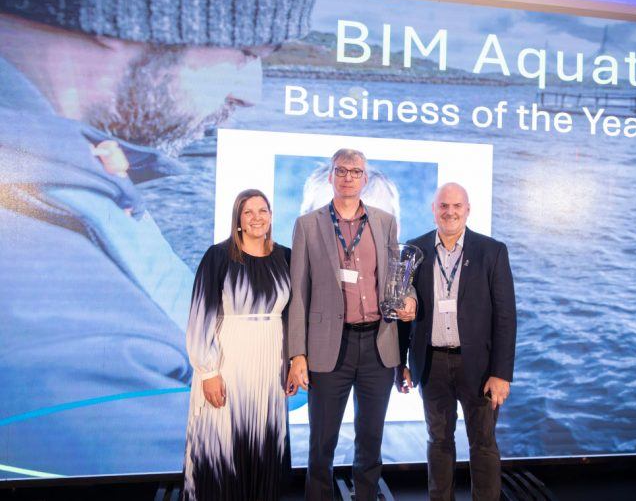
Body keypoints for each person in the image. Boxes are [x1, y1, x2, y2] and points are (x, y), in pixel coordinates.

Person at [0, 0, 316, 477]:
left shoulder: (86, 171)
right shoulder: (53, 318)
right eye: (242, 52)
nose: (251, 92)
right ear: (113, 7)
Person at [286, 148, 416, 500]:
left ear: (364, 178)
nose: (347, 177)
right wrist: (297, 354)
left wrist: (411, 301)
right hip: (329, 349)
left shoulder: (384, 223)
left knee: (371, 442)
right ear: (331, 176)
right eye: (341, 170)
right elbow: (298, 293)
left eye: (355, 171)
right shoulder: (308, 225)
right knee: (321, 445)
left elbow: (397, 282)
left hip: (377, 345)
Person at [397, 182, 517, 501]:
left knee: (483, 444)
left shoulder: (492, 251)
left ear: (467, 210)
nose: (450, 212)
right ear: (434, 210)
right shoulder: (415, 249)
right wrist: (402, 363)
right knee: (438, 442)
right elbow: (402, 307)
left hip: (478, 367)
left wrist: (501, 373)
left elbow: (506, 317)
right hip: (431, 363)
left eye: (457, 206)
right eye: (444, 206)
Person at [183, 189, 290, 501]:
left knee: (263, 441)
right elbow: (200, 316)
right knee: (223, 443)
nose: (257, 217)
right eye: (248, 212)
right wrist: (208, 372)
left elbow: (291, 316)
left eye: (262, 210)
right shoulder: (218, 256)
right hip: (228, 362)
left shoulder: (285, 257)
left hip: (269, 364)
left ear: (270, 216)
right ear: (239, 220)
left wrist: (292, 361)